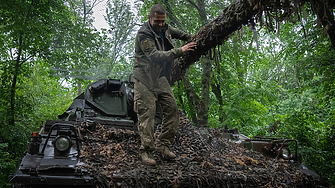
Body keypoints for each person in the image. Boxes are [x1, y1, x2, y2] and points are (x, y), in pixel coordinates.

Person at [133, 4, 197, 165]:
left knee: (172, 110)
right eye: (157, 21)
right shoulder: (144, 34)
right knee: (147, 115)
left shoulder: (164, 27)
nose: (161, 24)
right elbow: (155, 56)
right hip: (145, 78)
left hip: (160, 77)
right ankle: (146, 151)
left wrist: (192, 37)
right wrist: (181, 50)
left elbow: (178, 33)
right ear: (149, 18)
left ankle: (163, 145)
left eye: (163, 21)